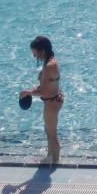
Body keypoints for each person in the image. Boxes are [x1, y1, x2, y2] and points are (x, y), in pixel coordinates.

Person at [19, 36, 63, 165]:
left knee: (51, 133)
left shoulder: (49, 66)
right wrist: (35, 89)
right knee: (50, 131)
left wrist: (28, 92)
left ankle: (53, 159)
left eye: (35, 53)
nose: (34, 56)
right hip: (54, 99)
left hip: (51, 102)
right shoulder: (52, 61)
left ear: (42, 50)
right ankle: (53, 158)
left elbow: (44, 91)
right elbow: (48, 86)